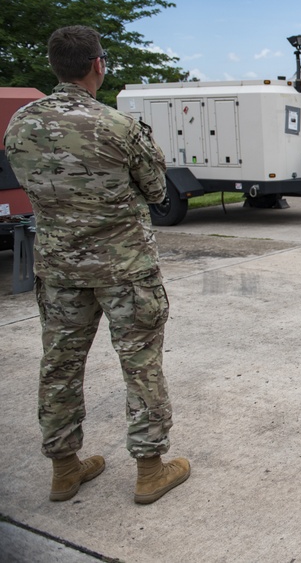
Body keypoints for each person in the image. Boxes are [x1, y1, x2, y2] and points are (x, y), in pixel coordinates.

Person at [4, 25, 190, 503]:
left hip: (60, 269)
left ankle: (64, 469)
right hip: (125, 269)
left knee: (60, 365)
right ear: (97, 65)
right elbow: (155, 190)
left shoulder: (21, 124)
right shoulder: (117, 125)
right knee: (141, 364)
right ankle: (150, 471)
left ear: (55, 66)